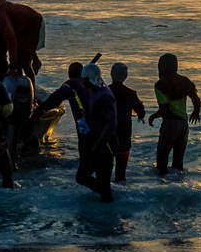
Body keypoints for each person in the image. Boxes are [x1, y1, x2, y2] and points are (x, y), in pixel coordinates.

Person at [148, 53, 201, 175]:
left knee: (162, 160)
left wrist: (153, 116)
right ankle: (178, 186)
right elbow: (196, 100)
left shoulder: (160, 85)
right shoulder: (185, 81)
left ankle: (162, 187)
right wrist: (196, 112)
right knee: (178, 162)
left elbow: (164, 110)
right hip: (183, 125)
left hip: (170, 124)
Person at [33, 62, 93, 169]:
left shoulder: (70, 85)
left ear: (70, 73)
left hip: (84, 124)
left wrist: (39, 110)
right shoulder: (91, 82)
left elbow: (54, 99)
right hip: (99, 122)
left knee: (86, 152)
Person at [77, 64, 117, 202]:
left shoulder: (105, 96)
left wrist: (99, 144)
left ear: (90, 79)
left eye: (84, 79)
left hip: (105, 144)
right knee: (81, 177)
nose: (82, 82)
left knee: (102, 179)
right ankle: (106, 194)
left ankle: (107, 199)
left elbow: (111, 123)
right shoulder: (93, 91)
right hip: (95, 141)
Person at [109, 62, 148, 183]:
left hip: (107, 136)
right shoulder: (130, 94)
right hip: (124, 136)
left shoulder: (104, 91)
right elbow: (141, 112)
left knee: (105, 171)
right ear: (125, 76)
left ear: (111, 74)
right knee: (121, 175)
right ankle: (121, 197)